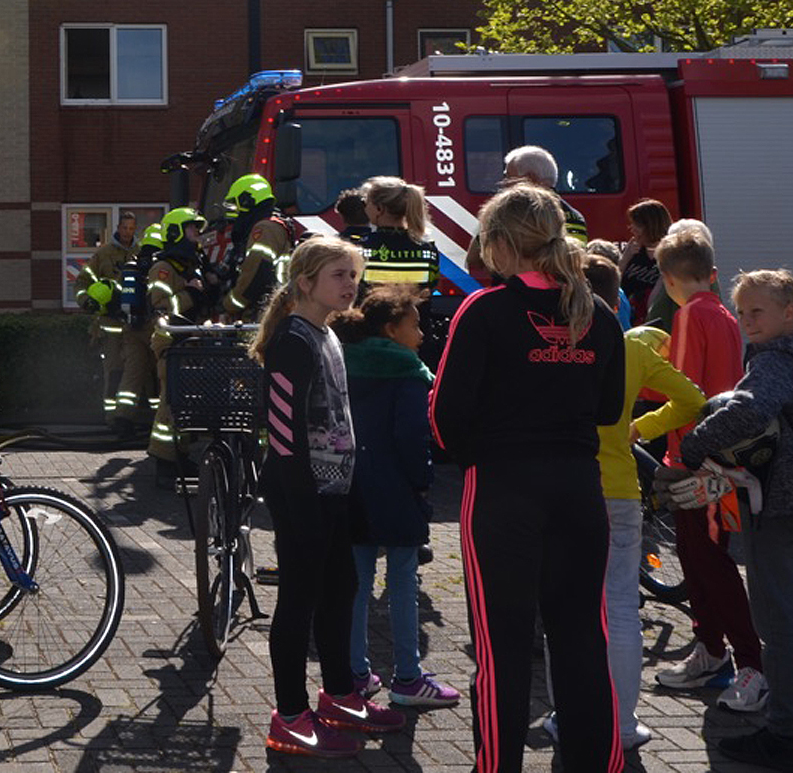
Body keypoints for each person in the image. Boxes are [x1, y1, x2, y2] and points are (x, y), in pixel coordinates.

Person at [428, 185, 624, 773]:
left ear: (502, 244)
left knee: (502, 647)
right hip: (578, 488)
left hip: (502, 488)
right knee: (583, 639)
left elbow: (444, 417)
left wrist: (475, 453)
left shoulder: (485, 309)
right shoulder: (599, 313)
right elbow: (611, 408)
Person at [679, 270, 793, 771]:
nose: (746, 321)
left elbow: (746, 411)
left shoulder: (776, 363)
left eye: (757, 311)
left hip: (776, 502)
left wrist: (695, 446)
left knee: (778, 621)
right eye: (742, 312)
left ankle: (783, 734)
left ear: (790, 313)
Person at [542, 255, 706, 751]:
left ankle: (566, 716)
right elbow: (693, 399)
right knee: (620, 609)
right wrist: (643, 427)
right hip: (618, 489)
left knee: (565, 609)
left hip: (564, 486)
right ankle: (623, 723)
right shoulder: (628, 345)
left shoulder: (549, 339)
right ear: (617, 300)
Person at [251, 236, 401, 757]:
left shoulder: (328, 334)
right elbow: (282, 431)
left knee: (341, 592)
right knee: (298, 601)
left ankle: (338, 695)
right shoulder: (291, 340)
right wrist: (305, 504)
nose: (350, 284)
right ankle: (290, 714)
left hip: (335, 490)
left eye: (353, 275)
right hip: (303, 494)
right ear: (305, 281)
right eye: (339, 275)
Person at [630, 226, 764, 708]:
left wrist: (639, 420)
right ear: (711, 273)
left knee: (709, 561)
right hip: (718, 453)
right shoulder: (726, 316)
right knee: (699, 556)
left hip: (696, 458)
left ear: (665, 279)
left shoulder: (689, 318)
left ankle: (749, 661)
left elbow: (683, 393)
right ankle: (710, 651)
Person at [330, 286, 459, 711]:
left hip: (350, 485)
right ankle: (408, 676)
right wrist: (422, 481)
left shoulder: (342, 362)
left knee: (356, 583)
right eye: (415, 324)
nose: (421, 334)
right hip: (395, 488)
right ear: (391, 329)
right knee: (403, 580)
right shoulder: (407, 371)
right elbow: (412, 436)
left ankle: (354, 673)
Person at [146, 207, 207, 473]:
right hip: (170, 343)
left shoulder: (189, 267)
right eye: (192, 229)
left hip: (188, 343)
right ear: (177, 233)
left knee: (183, 402)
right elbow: (160, 307)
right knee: (170, 402)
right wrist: (190, 294)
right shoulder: (162, 269)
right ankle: (164, 462)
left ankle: (179, 456)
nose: (197, 235)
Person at [75, 214, 138, 437]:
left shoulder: (141, 254)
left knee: (136, 372)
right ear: (118, 228)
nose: (128, 232)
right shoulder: (103, 255)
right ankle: (112, 418)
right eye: (124, 227)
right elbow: (82, 281)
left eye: (132, 228)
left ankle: (130, 416)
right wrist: (87, 301)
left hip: (134, 327)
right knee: (114, 372)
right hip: (110, 325)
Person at [220, 175, 300, 323]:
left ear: (247, 200)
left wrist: (229, 304)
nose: (235, 211)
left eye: (236, 204)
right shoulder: (271, 224)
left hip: (264, 310)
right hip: (272, 305)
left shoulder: (264, 229)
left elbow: (256, 272)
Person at [115, 222, 165, 439]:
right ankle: (161, 421)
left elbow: (117, 296)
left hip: (131, 327)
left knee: (132, 374)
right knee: (162, 374)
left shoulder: (131, 265)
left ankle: (123, 419)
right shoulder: (162, 265)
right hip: (154, 326)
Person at [358, 177, 439, 292]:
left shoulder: (360, 249)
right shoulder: (428, 251)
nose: (365, 207)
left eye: (365, 202)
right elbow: (430, 287)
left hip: (372, 309)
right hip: (415, 310)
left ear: (379, 208)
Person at [501, 145, 588, 242]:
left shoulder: (520, 216)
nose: (505, 184)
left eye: (508, 177)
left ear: (529, 179)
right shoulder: (575, 216)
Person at [617, 198, 670, 320]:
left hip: (656, 319)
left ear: (651, 226)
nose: (632, 228)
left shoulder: (670, 254)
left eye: (637, 225)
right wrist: (625, 258)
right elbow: (612, 284)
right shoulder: (632, 251)